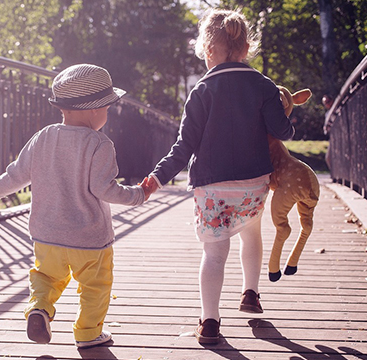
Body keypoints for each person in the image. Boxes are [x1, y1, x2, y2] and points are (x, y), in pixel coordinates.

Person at [143, 9, 294, 345]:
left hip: (213, 187)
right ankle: (250, 294)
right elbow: (283, 130)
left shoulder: (201, 91)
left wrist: (157, 177)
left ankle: (209, 321)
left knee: (214, 253)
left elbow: (184, 146)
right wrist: (284, 107)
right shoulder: (263, 85)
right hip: (253, 182)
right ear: (245, 48)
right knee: (251, 231)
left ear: (210, 49)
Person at [0, 64, 152, 348]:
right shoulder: (100, 144)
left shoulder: (43, 137)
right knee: (95, 287)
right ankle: (88, 333)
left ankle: (39, 309)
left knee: (45, 277)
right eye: (107, 108)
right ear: (95, 110)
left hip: (47, 235)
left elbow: (17, 175)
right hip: (90, 240)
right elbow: (104, 189)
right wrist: (138, 195)